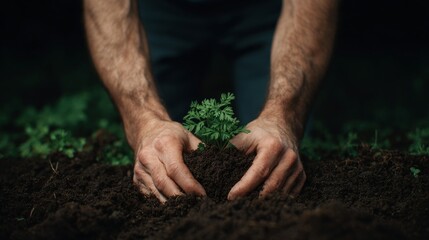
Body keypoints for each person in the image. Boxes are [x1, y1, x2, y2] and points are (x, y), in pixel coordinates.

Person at [84, 0, 339, 203]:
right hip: (162, 9)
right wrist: (145, 122)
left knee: (273, 164)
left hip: (264, 10)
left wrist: (283, 116)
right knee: (161, 160)